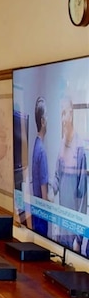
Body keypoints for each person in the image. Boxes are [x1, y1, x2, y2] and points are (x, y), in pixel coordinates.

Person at [50, 96, 87, 252]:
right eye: (61, 114)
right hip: (61, 223)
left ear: (71, 115)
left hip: (72, 229)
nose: (62, 119)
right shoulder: (61, 144)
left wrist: (78, 239)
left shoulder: (80, 150)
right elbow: (57, 177)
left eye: (64, 114)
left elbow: (83, 198)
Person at [31, 97, 49, 237]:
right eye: (46, 116)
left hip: (35, 211)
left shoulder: (35, 145)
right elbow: (44, 196)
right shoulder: (41, 150)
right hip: (41, 214)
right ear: (42, 121)